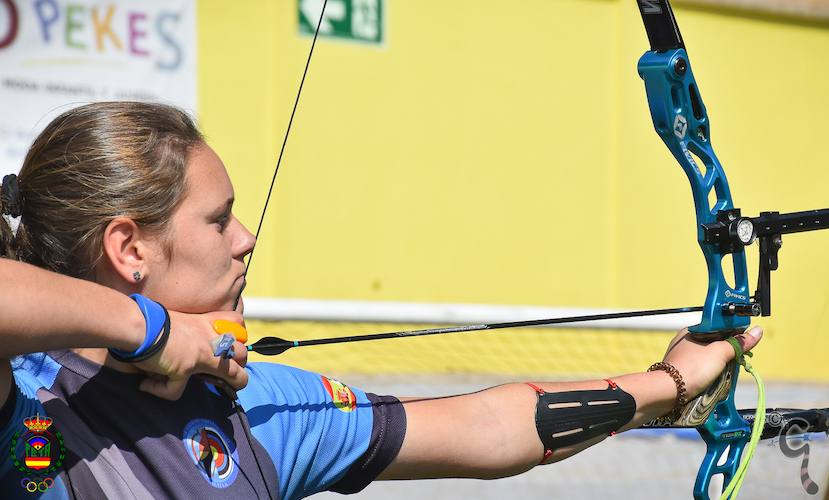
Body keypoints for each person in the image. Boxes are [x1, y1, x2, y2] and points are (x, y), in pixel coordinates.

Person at [0, 102, 762, 499]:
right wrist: (151, 330)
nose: (247, 235)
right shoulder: (31, 397)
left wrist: (670, 383)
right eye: (217, 216)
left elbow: (485, 428)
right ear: (130, 248)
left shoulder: (254, 402)